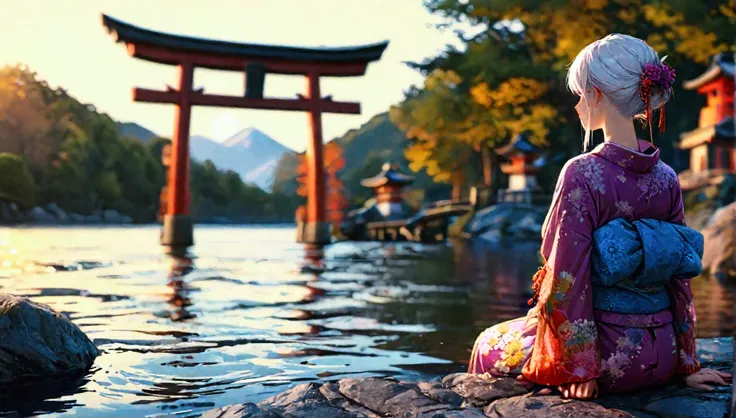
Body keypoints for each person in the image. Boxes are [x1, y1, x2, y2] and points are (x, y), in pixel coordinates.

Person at [467, 34, 732, 399]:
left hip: (608, 360)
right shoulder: (667, 176)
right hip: (664, 352)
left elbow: (566, 275)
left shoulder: (583, 172)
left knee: (488, 342)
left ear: (598, 94)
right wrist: (687, 362)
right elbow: (679, 277)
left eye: (580, 95)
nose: (577, 106)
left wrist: (577, 367)